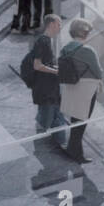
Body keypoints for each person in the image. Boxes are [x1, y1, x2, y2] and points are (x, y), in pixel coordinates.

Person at [57, 18, 103, 163]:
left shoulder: (66, 48)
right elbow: (98, 72)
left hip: (71, 86)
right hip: (86, 89)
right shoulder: (88, 50)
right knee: (82, 120)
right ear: (84, 33)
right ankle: (76, 153)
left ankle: (73, 148)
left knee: (75, 119)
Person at [30, 14, 69, 150]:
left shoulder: (48, 41)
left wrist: (57, 68)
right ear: (51, 24)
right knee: (47, 115)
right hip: (46, 87)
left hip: (51, 86)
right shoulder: (43, 41)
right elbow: (37, 65)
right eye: (59, 24)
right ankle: (44, 143)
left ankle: (61, 141)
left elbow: (46, 63)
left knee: (56, 112)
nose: (60, 27)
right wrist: (55, 71)